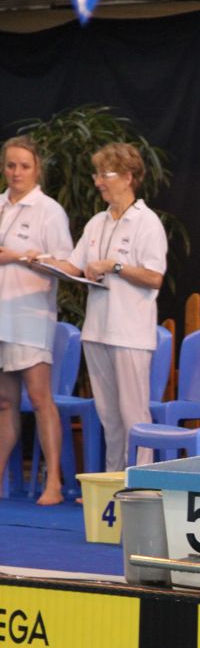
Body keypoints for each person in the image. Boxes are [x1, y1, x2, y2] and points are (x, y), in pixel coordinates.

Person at [47, 143, 167, 471]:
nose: (98, 182)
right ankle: (113, 482)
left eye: (105, 174)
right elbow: (74, 266)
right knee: (108, 416)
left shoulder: (147, 222)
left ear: (128, 177)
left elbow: (154, 276)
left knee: (133, 415)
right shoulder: (97, 221)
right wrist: (38, 260)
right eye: (96, 174)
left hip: (130, 333)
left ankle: (141, 481)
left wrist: (115, 266)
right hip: (96, 331)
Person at [0, 136, 73, 505]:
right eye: (11, 165)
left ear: (37, 170)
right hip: (1, 317)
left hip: (31, 316)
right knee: (4, 401)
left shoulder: (49, 211)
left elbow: (67, 265)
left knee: (40, 397)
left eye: (24, 166)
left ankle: (54, 482)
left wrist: (22, 257)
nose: (17, 173)